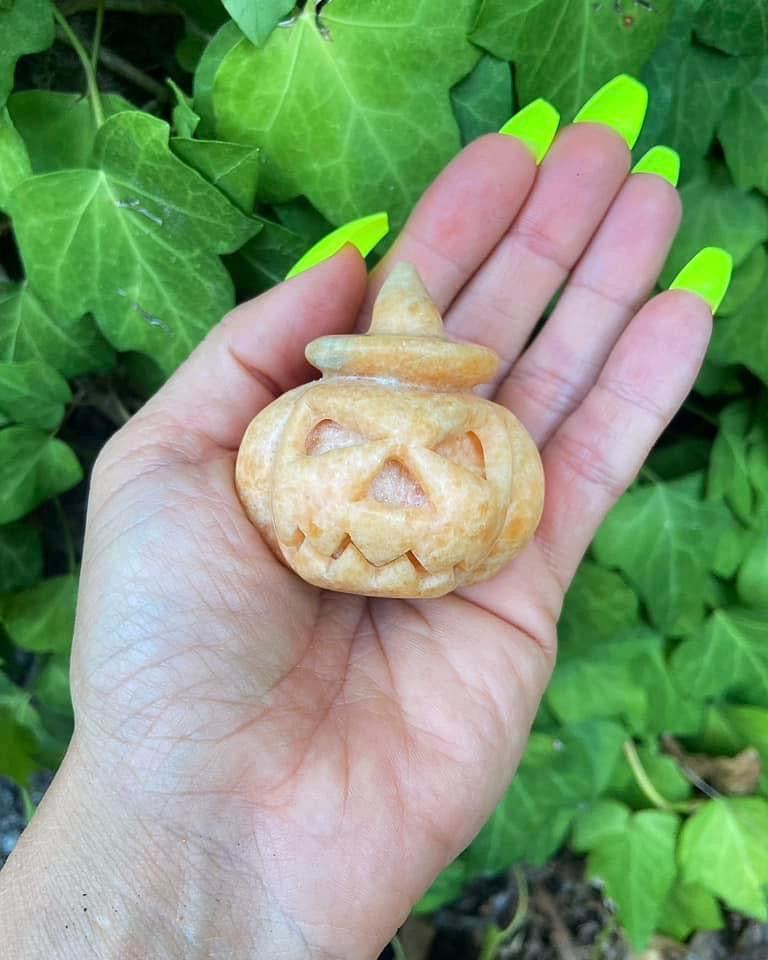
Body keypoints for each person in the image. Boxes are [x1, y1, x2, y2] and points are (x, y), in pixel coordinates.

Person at [0, 75, 730, 959]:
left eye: (446, 459)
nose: (397, 483)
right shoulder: (301, 430)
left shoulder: (496, 444)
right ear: (294, 443)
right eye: (339, 442)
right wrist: (157, 825)